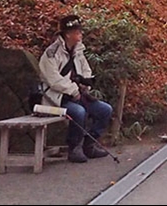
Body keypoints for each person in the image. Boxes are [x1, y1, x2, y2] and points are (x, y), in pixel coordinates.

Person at [38, 14, 113, 163]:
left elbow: (86, 70)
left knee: (105, 110)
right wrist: (73, 90)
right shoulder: (51, 53)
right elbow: (53, 80)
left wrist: (86, 83)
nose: (80, 34)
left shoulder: (78, 51)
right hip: (57, 97)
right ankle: (74, 147)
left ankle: (89, 144)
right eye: (77, 31)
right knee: (79, 112)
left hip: (79, 94)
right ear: (67, 34)